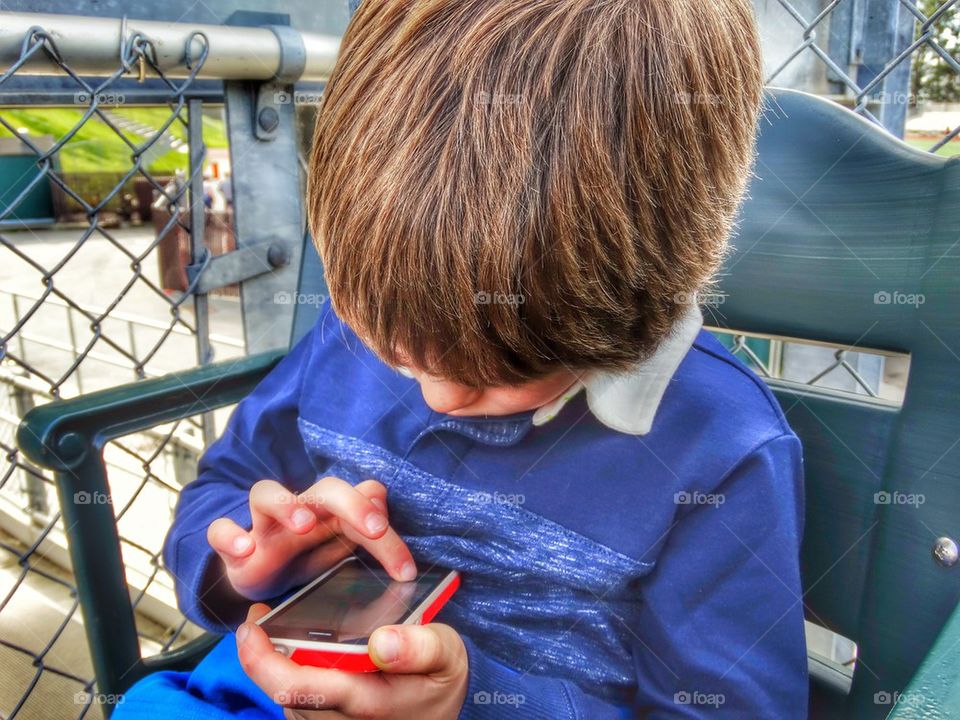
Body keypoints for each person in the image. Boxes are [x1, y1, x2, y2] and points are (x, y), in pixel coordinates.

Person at [115, 0, 807, 717]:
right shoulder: (358, 328)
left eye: (497, 372)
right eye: (394, 352)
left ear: (642, 302)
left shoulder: (719, 447)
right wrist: (247, 562)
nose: (436, 396)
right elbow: (223, 492)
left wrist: (470, 703)